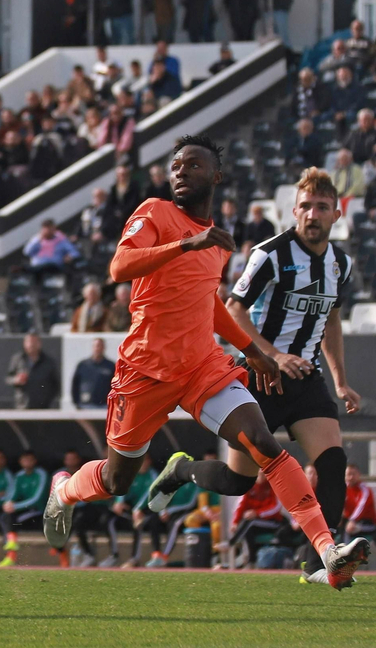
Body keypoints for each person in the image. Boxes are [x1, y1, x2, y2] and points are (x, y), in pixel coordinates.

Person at [44, 136, 368, 588]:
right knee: (117, 480)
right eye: (176, 164)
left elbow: (210, 302)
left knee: (263, 444)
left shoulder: (216, 240)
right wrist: (185, 245)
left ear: (215, 176)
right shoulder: (156, 213)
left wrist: (255, 353)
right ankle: (65, 489)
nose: (180, 170)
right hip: (145, 371)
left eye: (193, 165)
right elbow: (119, 267)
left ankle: (326, 552)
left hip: (202, 368)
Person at [154, 168, 360, 578]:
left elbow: (331, 321)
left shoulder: (341, 263)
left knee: (333, 462)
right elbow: (232, 310)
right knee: (236, 482)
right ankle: (181, 469)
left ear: (336, 214)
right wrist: (273, 355)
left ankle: (319, 563)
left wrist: (339, 380)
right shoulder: (271, 253)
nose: (313, 214)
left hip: (306, 380)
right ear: (293, 211)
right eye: (305, 206)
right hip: (259, 376)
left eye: (322, 207)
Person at [0, 451, 49, 567]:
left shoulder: (41, 474)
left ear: (34, 461)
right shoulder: (19, 476)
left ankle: (64, 559)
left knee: (9, 520)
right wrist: (8, 503)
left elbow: (37, 498)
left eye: (29, 459)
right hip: (24, 511)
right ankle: (11, 552)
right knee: (5, 517)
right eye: (24, 460)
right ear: (20, 462)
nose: (27, 462)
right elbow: (13, 494)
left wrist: (15, 506)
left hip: (40, 512)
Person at [5, 332, 59, 409]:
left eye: (34, 342)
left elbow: (55, 385)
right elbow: (8, 378)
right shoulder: (18, 359)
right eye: (29, 342)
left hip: (43, 408)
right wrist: (16, 380)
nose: (31, 345)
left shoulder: (48, 362)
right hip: (22, 406)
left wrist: (47, 398)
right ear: (24, 343)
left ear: (39, 344)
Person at [73, 337, 116, 407]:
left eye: (100, 346)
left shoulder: (110, 366)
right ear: (92, 347)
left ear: (104, 348)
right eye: (96, 346)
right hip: (85, 405)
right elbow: (75, 384)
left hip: (105, 405)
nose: (97, 348)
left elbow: (115, 386)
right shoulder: (83, 365)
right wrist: (76, 403)